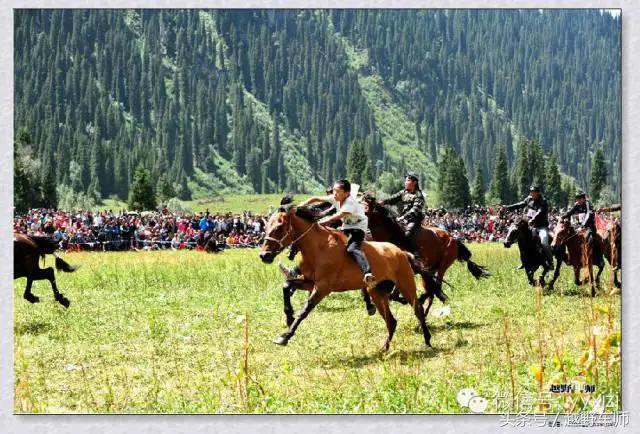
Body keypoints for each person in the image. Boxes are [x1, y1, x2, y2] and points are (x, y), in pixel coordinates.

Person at [278, 179, 376, 289]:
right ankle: (294, 271)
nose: (334, 193)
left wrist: (321, 223)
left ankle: (368, 274)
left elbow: (336, 217)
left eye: (337, 191)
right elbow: (314, 198)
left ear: (346, 193)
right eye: (334, 190)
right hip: (346, 227)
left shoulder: (350, 203)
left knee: (352, 249)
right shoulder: (336, 198)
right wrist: (299, 207)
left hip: (358, 228)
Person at [379, 172, 426, 261]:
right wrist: (383, 202)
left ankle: (415, 256)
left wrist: (403, 218)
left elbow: (414, 210)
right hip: (402, 218)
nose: (405, 182)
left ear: (414, 182)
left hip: (414, 220)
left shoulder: (419, 196)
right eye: (405, 180)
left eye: (407, 180)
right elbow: (393, 198)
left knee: (406, 234)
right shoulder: (403, 192)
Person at [502, 185, 553, 265]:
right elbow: (520, 204)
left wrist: (533, 219)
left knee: (544, 243)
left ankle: (550, 261)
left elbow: (540, 211)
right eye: (531, 192)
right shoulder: (529, 199)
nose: (532, 194)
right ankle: (524, 261)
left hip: (542, 227)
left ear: (538, 193)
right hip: (532, 226)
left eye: (534, 193)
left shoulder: (543, 201)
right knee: (523, 241)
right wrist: (508, 207)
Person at [562, 191, 603, 261]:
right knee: (568, 236)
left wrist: (582, 226)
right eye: (577, 199)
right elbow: (570, 212)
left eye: (579, 199)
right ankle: (570, 256)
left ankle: (590, 256)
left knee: (588, 238)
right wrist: (562, 217)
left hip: (589, 227)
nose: (577, 201)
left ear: (583, 199)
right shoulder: (576, 205)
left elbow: (588, 216)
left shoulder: (588, 204)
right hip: (579, 226)